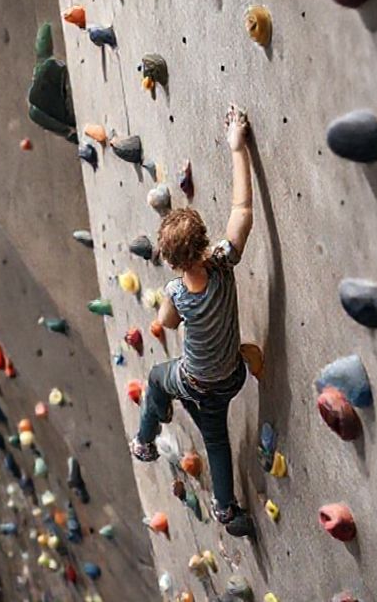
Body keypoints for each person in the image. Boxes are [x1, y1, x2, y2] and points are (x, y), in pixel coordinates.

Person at [129, 104, 257, 538]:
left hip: (196, 381)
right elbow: (242, 208)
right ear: (204, 241)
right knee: (214, 436)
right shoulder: (223, 261)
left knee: (156, 376)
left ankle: (145, 440)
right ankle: (225, 509)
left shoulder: (177, 292)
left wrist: (170, 304)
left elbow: (166, 324)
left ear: (170, 261)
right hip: (232, 376)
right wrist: (237, 146)